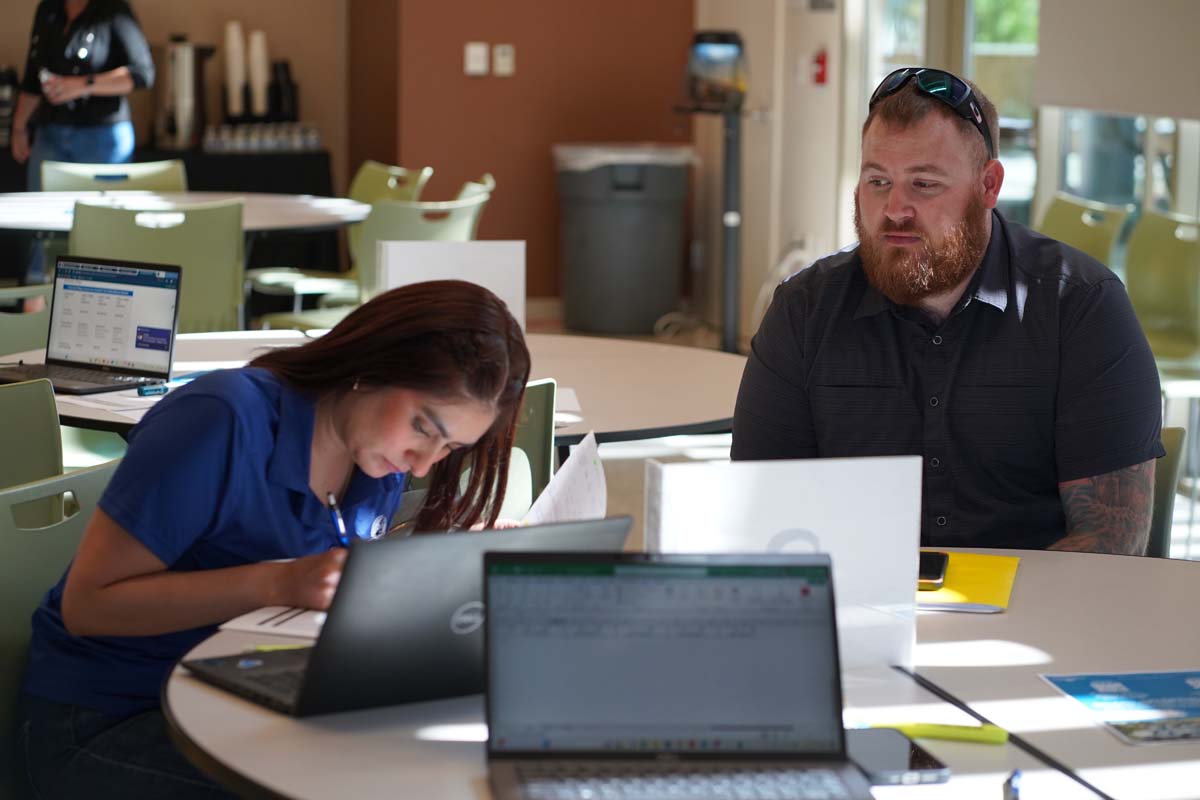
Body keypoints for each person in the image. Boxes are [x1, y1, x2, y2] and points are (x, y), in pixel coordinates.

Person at [18, 281, 531, 798]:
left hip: (239, 690)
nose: (425, 462)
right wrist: (276, 582)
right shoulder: (220, 419)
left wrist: (446, 561)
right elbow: (89, 605)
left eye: (450, 447)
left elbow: (328, 559)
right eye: (423, 427)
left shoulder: (374, 454)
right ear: (372, 367)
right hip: (105, 718)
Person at [732, 67, 1164, 555]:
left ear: (989, 185)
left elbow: (1108, 542)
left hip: (1034, 612)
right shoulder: (805, 312)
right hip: (857, 603)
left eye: (924, 184)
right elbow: (766, 515)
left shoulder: (1081, 308)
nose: (895, 208)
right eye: (878, 180)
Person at [12, 0, 154, 192]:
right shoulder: (49, 8)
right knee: (42, 213)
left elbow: (143, 73)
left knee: (100, 216)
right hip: (50, 133)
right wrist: (19, 127)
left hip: (102, 137)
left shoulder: (113, 9)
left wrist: (83, 85)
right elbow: (32, 76)